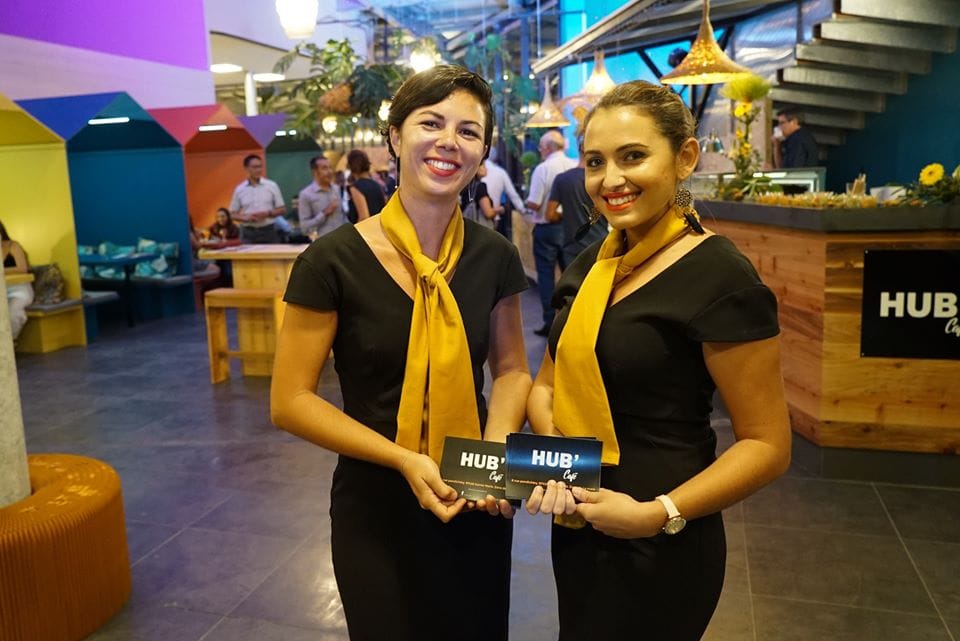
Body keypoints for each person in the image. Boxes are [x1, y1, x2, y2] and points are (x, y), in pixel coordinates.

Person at [270, 65, 531, 641]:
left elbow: (512, 370)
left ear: (482, 153)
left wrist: (494, 453)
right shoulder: (331, 262)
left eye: (468, 131)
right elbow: (290, 401)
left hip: (474, 496)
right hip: (377, 500)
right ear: (394, 136)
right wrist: (404, 460)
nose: (448, 141)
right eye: (430, 123)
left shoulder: (494, 256)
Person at [525, 80, 792, 640]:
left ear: (685, 158)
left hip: (664, 538)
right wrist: (561, 461)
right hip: (580, 526)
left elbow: (767, 445)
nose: (610, 180)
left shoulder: (720, 277)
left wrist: (657, 512)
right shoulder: (590, 267)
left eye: (633, 157)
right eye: (595, 162)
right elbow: (545, 385)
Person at [525, 129, 578, 336]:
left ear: (547, 148)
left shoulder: (543, 169)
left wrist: (526, 203)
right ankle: (574, 319)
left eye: (540, 147)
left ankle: (551, 322)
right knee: (572, 274)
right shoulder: (574, 165)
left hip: (547, 229)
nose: (540, 151)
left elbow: (535, 203)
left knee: (546, 276)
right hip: (570, 228)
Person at [545, 158, 608, 266]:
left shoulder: (563, 179)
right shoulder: (604, 179)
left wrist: (566, 215)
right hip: (601, 244)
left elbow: (550, 215)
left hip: (573, 247)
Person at [229, 154, 286, 243]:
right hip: (247, 232)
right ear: (246, 168)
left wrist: (267, 213)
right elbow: (232, 214)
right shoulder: (240, 189)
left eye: (260, 167)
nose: (258, 170)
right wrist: (246, 218)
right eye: (255, 167)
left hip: (269, 231)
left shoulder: (272, 186)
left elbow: (282, 209)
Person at [297, 155, 346, 238]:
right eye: (324, 168)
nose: (330, 171)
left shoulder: (337, 189)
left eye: (330, 167)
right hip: (323, 242)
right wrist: (324, 213)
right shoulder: (305, 194)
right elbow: (305, 228)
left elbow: (344, 216)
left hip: (342, 239)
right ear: (314, 172)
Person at [1, 220, 34, 340]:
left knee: (13, 314)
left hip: (19, 290)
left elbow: (22, 268)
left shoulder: (13, 246)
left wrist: (2, 270)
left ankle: (10, 342)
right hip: (2, 291)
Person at [482, 149, 525, 238]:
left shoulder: (474, 172)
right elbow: (513, 195)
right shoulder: (500, 172)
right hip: (495, 218)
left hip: (475, 219)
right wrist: (523, 210)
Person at [345, 149, 387, 223]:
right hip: (379, 227)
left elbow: (364, 217)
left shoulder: (355, 188)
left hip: (365, 228)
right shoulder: (377, 185)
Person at [459, 163, 501, 229]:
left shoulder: (466, 186)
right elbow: (488, 213)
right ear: (476, 168)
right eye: (483, 166)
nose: (486, 169)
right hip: (479, 228)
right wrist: (499, 210)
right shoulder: (480, 186)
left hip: (466, 227)